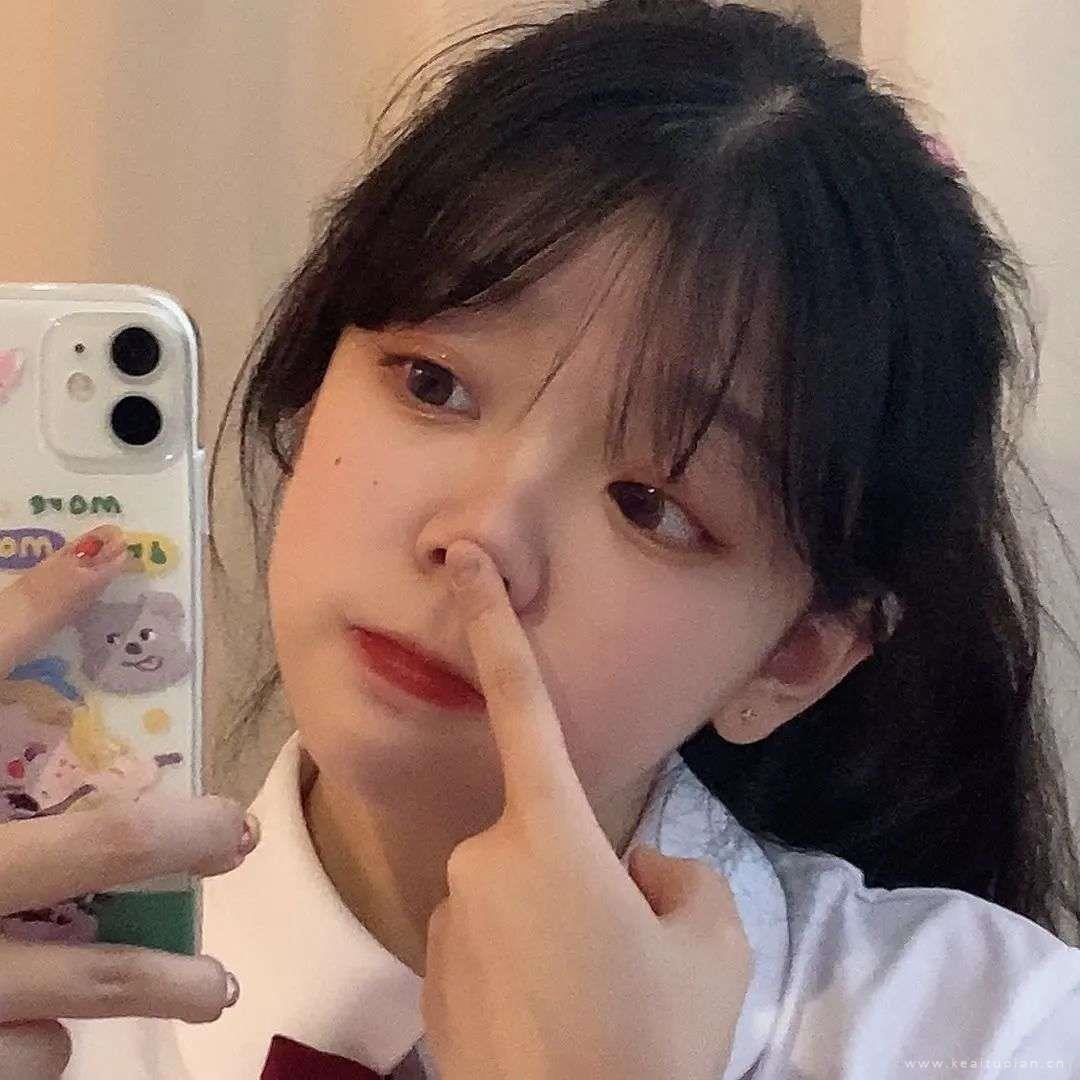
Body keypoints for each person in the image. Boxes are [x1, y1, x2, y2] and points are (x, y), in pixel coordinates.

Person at [2, 1, 1079, 1076]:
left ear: (792, 657)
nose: (478, 540)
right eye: (433, 384)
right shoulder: (41, 997)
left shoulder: (998, 1035)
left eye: (650, 502)